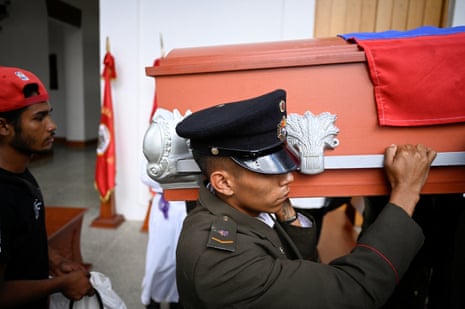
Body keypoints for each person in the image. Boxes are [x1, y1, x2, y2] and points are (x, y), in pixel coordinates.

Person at [174, 89, 437, 308]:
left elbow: (296, 260)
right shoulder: (221, 261)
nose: (288, 178)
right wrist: (406, 192)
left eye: (285, 165)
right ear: (223, 182)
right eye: (270, 170)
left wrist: (284, 209)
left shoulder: (236, 209)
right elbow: (354, 290)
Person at [0, 66, 94, 308]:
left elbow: (23, 238)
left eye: (48, 114)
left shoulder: (20, 173)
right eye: (38, 118)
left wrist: (54, 260)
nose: (52, 125)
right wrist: (60, 284)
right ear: (3, 126)